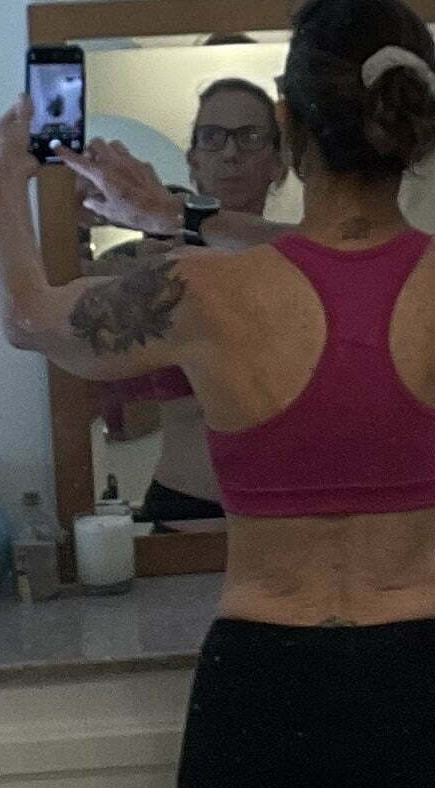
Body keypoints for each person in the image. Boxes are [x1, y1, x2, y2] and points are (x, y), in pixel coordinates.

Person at [0, 0, 435, 788]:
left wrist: (8, 171)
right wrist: (182, 212)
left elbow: (27, 318)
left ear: (288, 124)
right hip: (428, 684)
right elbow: (350, 258)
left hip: (266, 683)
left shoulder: (204, 292)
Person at [84, 76, 289, 526]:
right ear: (193, 160)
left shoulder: (305, 260)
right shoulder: (154, 267)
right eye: (213, 137)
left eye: (250, 137)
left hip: (289, 514)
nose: (231, 153)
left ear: (278, 163)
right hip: (185, 503)